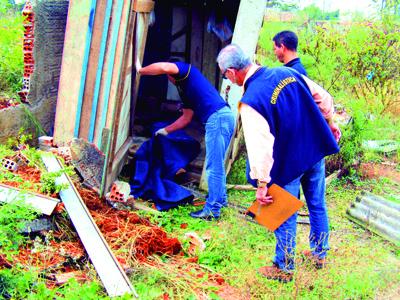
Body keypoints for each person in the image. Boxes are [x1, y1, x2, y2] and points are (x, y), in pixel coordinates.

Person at [216, 44, 341, 282]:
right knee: (317, 204)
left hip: (289, 161)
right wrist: (330, 122)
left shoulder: (251, 100)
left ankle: (284, 268)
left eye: (225, 76)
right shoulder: (287, 73)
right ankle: (319, 254)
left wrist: (262, 183)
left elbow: (259, 145)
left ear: (231, 72)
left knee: (282, 212)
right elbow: (323, 98)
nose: (227, 79)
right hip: (314, 148)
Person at [138, 61, 235, 220]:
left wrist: (140, 70)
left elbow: (163, 67)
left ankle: (212, 210)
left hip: (218, 119)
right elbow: (186, 118)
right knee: (216, 163)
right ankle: (220, 200)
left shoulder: (186, 71)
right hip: (221, 118)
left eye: (167, 76)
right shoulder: (184, 91)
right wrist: (165, 131)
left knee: (213, 166)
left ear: (170, 75)